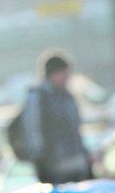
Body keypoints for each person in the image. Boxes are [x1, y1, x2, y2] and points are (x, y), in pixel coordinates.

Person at [22, 51, 92, 185]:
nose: (67, 77)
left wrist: (85, 157)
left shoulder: (68, 96)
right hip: (55, 169)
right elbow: (33, 130)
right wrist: (41, 163)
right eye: (63, 73)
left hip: (78, 165)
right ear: (51, 74)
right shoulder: (39, 97)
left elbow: (76, 130)